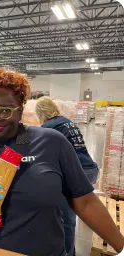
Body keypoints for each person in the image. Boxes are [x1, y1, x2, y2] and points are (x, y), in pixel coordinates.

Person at [0, 67, 124, 256]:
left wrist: (122, 248)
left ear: (20, 110)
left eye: (6, 110)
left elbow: (86, 202)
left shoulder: (50, 142)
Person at [35, 96, 99, 256]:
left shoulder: (50, 127)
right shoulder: (65, 122)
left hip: (77, 171)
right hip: (89, 168)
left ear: (40, 113)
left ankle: (68, 253)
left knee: (66, 217)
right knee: (69, 214)